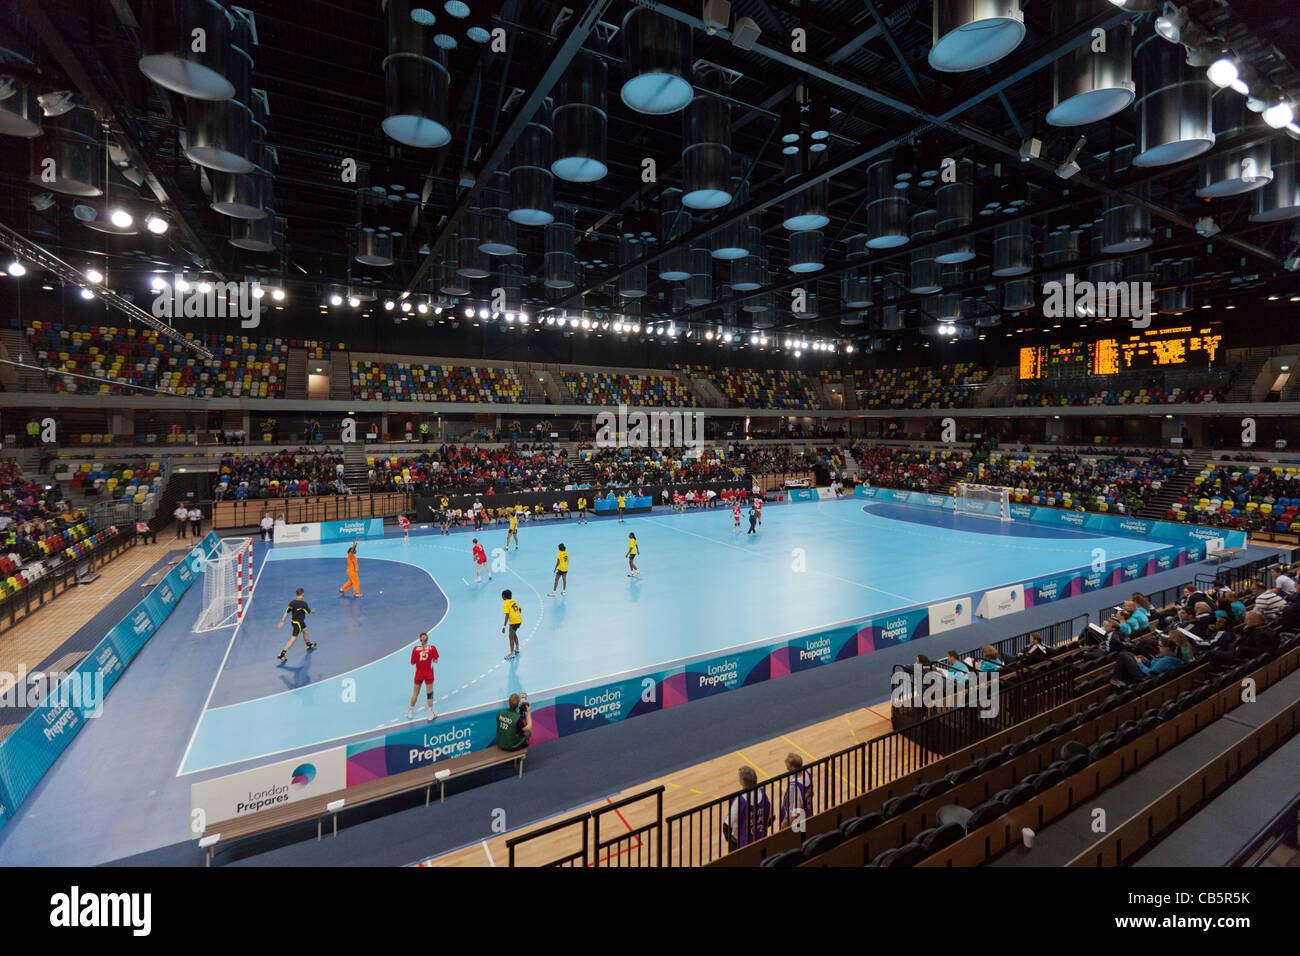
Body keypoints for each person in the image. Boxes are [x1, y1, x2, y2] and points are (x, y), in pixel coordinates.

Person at [723, 765, 772, 850]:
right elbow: (772, 817)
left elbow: (726, 825)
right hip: (760, 839)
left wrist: (732, 841)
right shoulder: (764, 794)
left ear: (742, 781)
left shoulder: (740, 800)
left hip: (742, 844)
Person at [1110, 636, 1182, 686]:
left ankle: (1117, 680)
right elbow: (1156, 665)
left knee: (1123, 655)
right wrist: (1146, 661)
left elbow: (1150, 673)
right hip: (1146, 671)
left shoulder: (1167, 660)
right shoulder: (1170, 655)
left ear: (1167, 648)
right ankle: (1120, 679)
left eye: (1160, 646)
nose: (1158, 647)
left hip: (1144, 677)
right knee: (1129, 654)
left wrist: (1140, 663)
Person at [405, 631, 439, 720]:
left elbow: (412, 663)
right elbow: (436, 661)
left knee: (415, 694)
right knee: (429, 695)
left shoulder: (415, 649)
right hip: (429, 675)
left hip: (419, 675)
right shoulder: (432, 648)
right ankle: (430, 714)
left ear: (420, 639)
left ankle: (410, 711)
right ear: (427, 639)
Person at [276, 587, 316, 661]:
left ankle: (309, 645)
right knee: (293, 639)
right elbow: (309, 612)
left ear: (296, 594)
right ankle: (282, 654)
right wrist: (313, 611)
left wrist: (282, 621)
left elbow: (286, 612)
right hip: (298, 624)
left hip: (294, 621)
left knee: (305, 630)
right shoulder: (303, 604)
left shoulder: (292, 603)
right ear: (303, 594)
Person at [779, 753, 813, 831]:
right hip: (808, 816)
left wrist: (782, 829)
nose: (785, 762)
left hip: (797, 827)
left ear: (792, 767)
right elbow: (812, 793)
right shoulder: (807, 774)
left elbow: (793, 815)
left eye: (787, 763)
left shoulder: (794, 787)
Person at [501, 588, 523, 660]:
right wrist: (517, 615)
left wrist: (504, 626)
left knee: (510, 637)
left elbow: (507, 615)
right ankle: (517, 649)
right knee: (514, 634)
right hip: (519, 620)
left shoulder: (505, 603)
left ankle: (512, 653)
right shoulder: (513, 601)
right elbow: (520, 609)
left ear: (504, 596)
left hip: (513, 621)